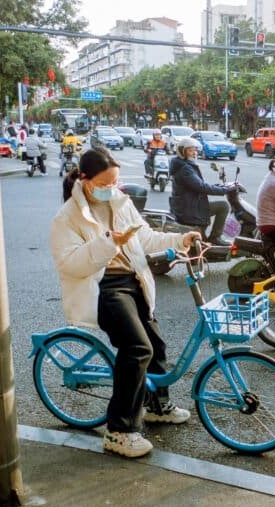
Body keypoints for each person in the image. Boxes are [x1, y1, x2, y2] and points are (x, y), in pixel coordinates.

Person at [51, 148, 201, 458]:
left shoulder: (120, 202)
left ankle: (157, 405)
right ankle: (118, 430)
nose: (113, 189)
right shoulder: (67, 217)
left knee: (156, 344)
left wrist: (179, 239)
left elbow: (144, 237)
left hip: (134, 279)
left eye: (116, 182)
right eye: (106, 183)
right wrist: (108, 242)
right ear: (85, 180)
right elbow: (70, 265)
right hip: (102, 286)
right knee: (137, 348)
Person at [168, 136, 235, 246]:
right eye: (190, 150)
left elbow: (197, 185)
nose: (194, 153)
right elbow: (201, 187)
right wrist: (225, 190)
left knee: (220, 206)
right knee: (223, 206)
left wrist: (219, 186)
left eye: (194, 150)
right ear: (182, 152)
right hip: (189, 208)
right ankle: (215, 237)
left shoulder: (182, 164)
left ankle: (210, 238)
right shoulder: (185, 168)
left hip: (187, 204)